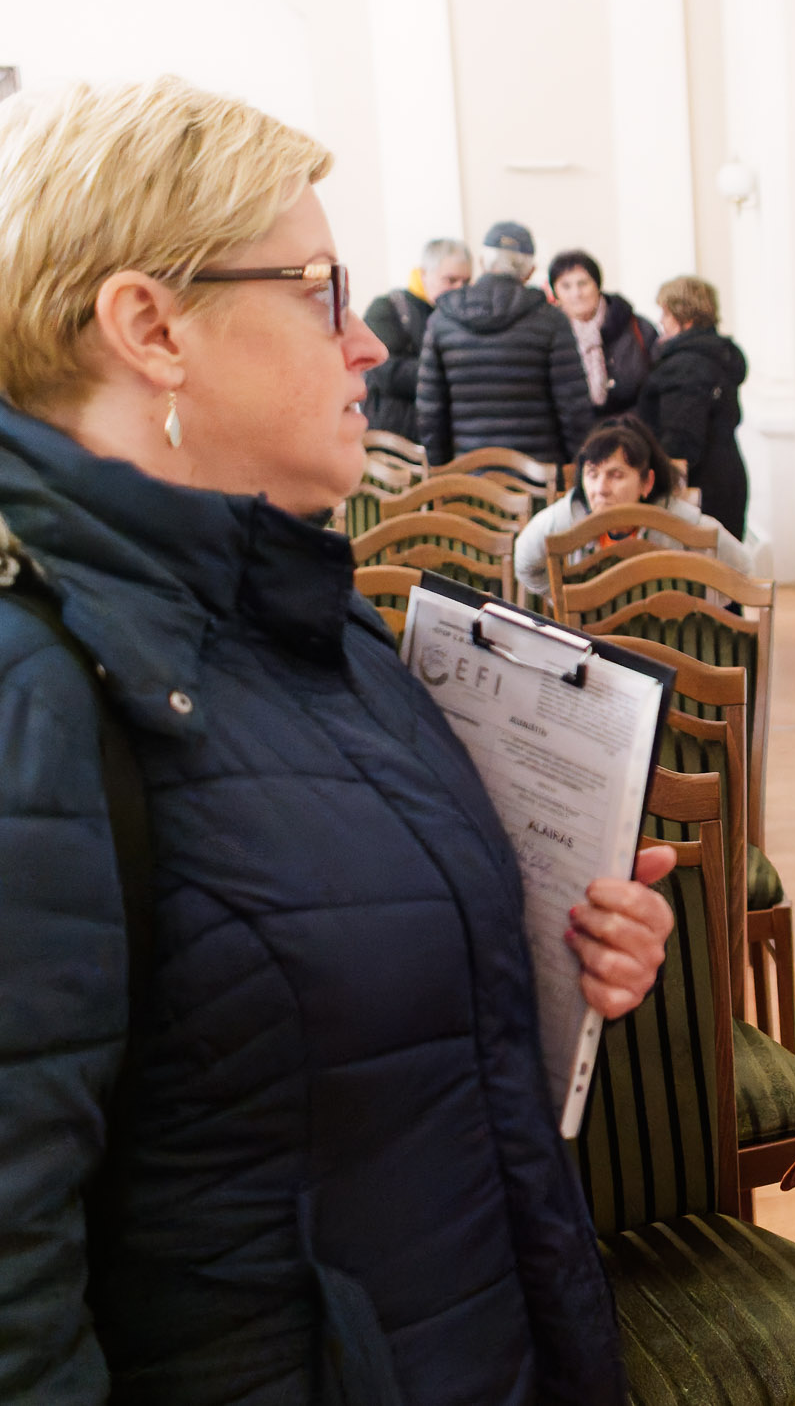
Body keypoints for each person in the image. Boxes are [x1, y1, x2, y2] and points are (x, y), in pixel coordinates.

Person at [0, 76, 676, 1404]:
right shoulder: (35, 692)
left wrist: (553, 947)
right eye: (321, 292)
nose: (368, 344)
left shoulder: (322, 621)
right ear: (150, 328)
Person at [415, 220, 592, 466]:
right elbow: (573, 408)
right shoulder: (551, 321)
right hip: (538, 474)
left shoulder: (442, 320)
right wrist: (576, 468)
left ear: (481, 262)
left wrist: (442, 470)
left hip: (467, 474)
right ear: (530, 271)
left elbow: (430, 412)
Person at [514, 415, 750, 597]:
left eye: (616, 475)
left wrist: (694, 608)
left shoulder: (674, 518)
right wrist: (566, 602)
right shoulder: (571, 514)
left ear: (647, 483)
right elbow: (524, 562)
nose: (600, 489)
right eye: (592, 474)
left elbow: (742, 569)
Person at [640, 275, 748, 539]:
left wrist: (661, 496)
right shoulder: (716, 354)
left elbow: (680, 442)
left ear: (684, 317)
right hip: (726, 478)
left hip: (700, 488)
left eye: (666, 313)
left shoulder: (686, 366)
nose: (661, 322)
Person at [361, 237, 470, 440]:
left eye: (466, 282)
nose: (459, 289)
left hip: (441, 439)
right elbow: (388, 372)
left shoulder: (462, 318)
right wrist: (450, 371)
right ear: (424, 275)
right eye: (451, 280)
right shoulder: (387, 309)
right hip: (394, 443)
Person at [546, 250, 658, 420]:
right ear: (555, 293)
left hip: (632, 428)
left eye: (583, 283)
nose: (576, 294)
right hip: (574, 431)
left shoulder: (636, 327)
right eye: (566, 286)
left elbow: (656, 385)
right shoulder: (548, 334)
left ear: (597, 285)